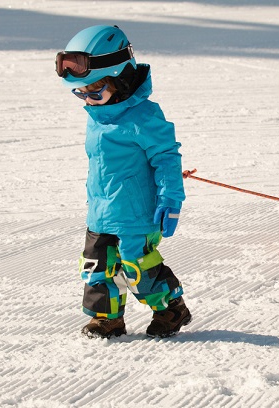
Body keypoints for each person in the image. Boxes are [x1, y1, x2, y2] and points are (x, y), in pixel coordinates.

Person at [55, 25, 191, 339]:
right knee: (96, 269)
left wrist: (171, 199)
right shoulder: (96, 116)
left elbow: (167, 157)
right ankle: (107, 319)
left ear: (120, 79)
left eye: (95, 90)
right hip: (100, 214)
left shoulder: (144, 116)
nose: (87, 98)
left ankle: (172, 308)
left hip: (137, 215)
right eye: (80, 92)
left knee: (137, 269)